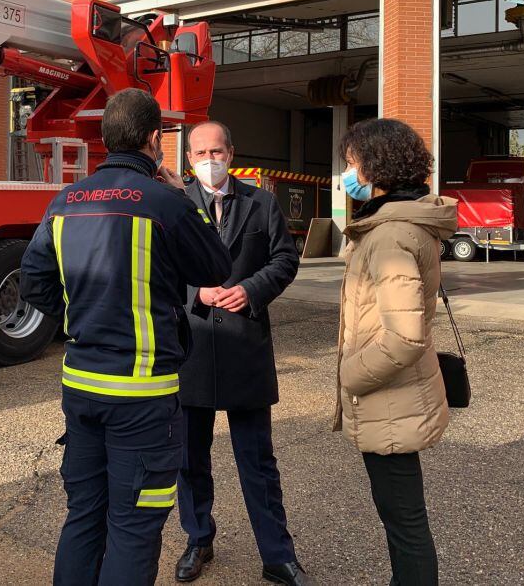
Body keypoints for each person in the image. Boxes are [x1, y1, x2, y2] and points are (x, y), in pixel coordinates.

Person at [19, 88, 232, 586]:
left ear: (106, 138)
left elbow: (33, 282)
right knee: (134, 528)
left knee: (84, 518)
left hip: (81, 387)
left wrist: (80, 316)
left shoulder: (66, 200)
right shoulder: (165, 202)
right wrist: (185, 197)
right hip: (143, 397)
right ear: (155, 140)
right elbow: (216, 267)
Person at [174, 121, 308, 586]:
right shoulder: (174, 206)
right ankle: (198, 538)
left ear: (231, 152)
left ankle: (277, 555)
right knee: (190, 459)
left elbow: (285, 260)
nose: (209, 159)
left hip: (247, 348)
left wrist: (251, 289)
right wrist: (197, 292)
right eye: (199, 153)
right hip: (190, 349)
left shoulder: (262, 203)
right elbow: (157, 267)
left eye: (216, 150)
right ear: (188, 158)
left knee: (257, 460)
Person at [333, 118, 458, 586]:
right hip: (397, 397)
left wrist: (351, 375)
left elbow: (403, 337)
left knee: (404, 521)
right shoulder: (402, 224)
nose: (347, 174)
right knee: (401, 517)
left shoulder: (389, 236)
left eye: (351, 164)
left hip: (389, 398)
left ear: (374, 166)